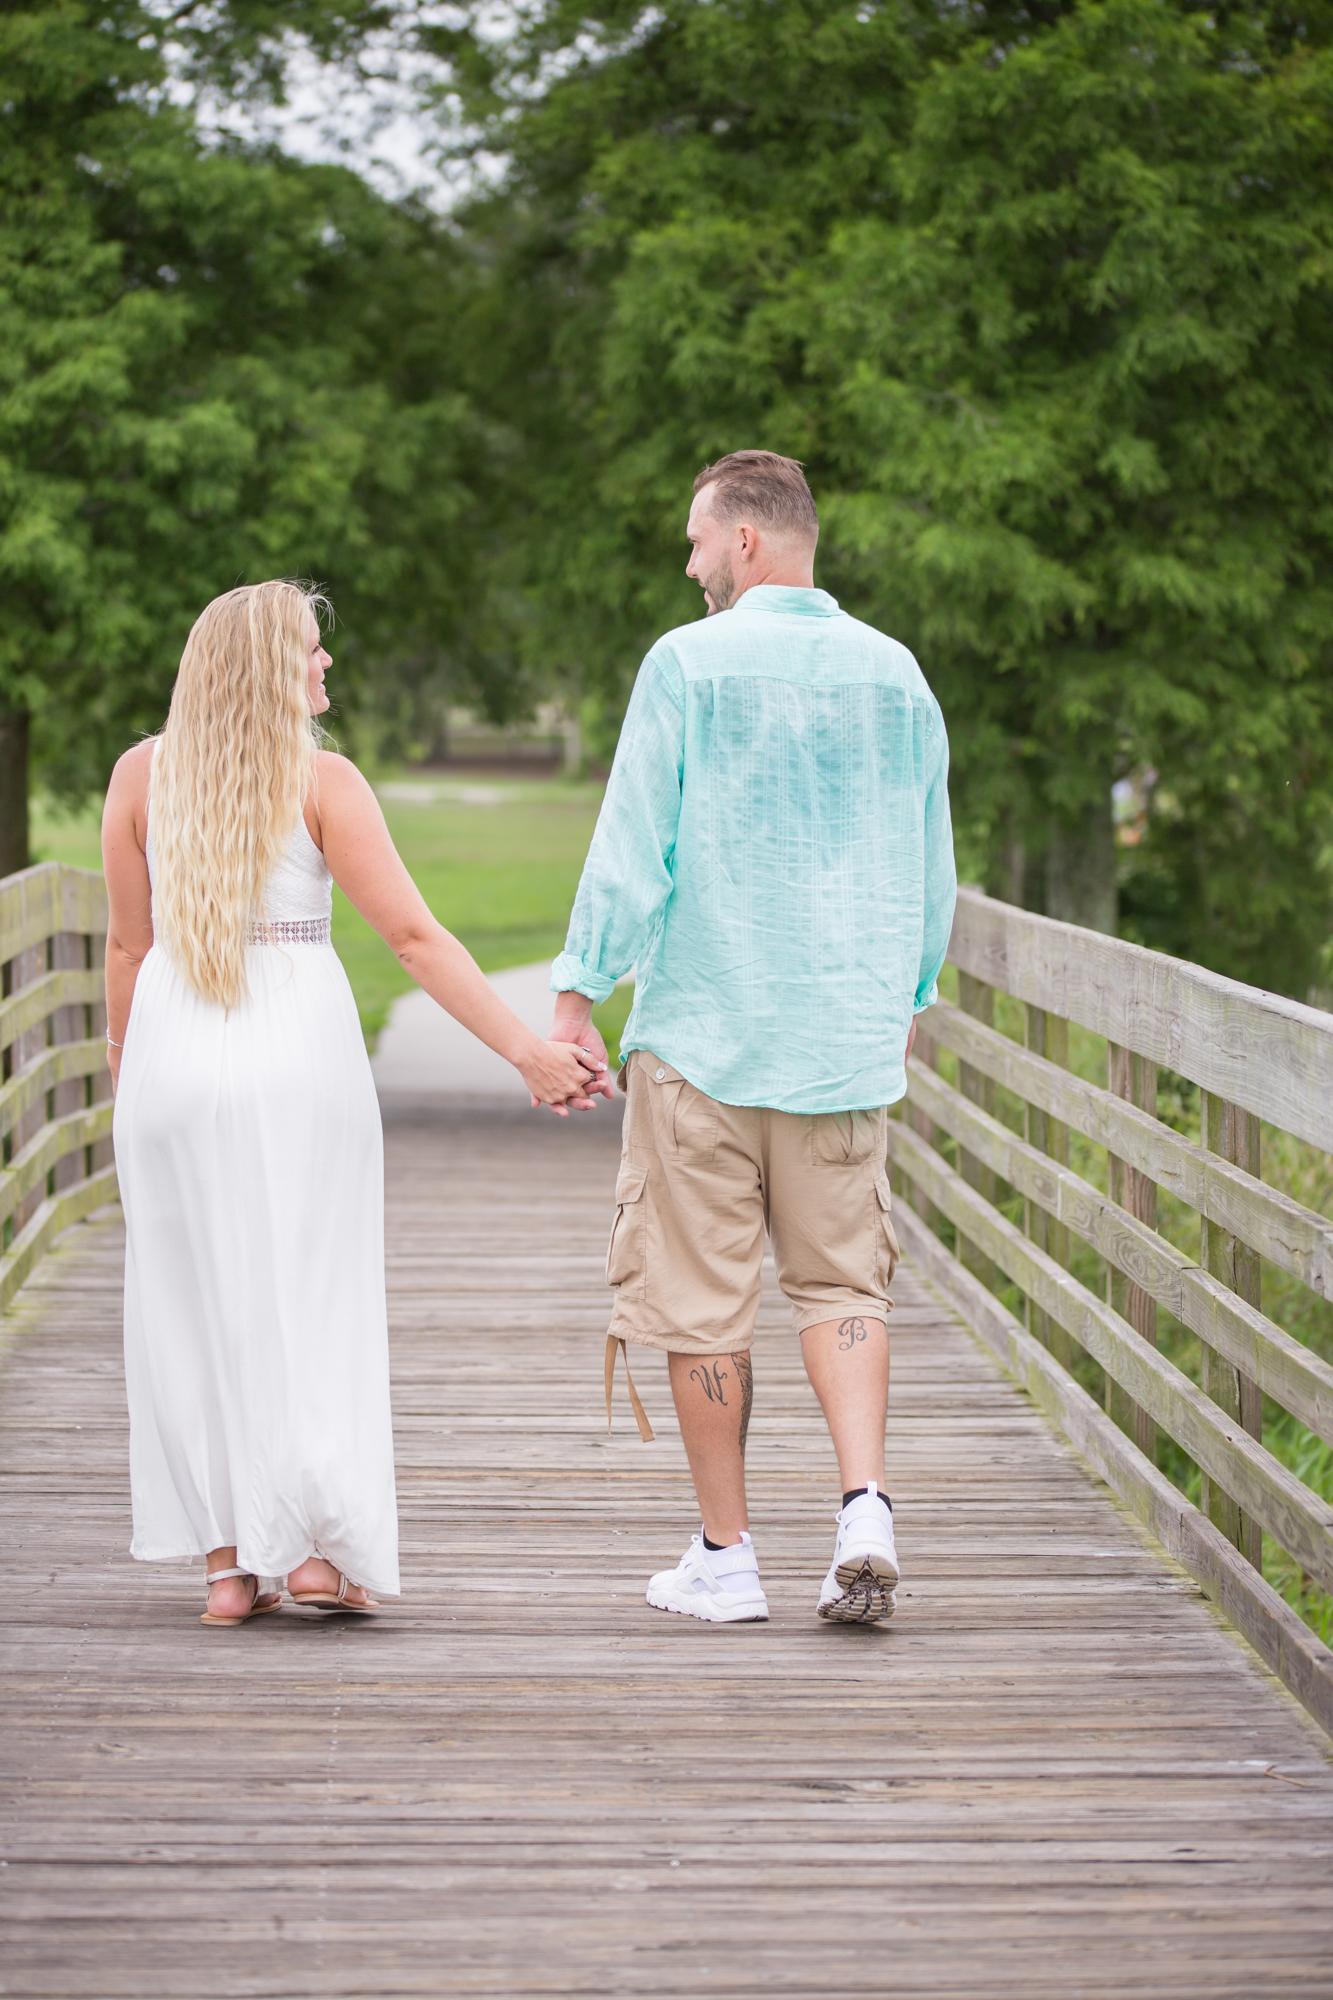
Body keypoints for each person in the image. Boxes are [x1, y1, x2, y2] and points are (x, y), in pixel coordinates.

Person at [103, 580, 600, 1628]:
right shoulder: (321, 781)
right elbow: (414, 940)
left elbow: (127, 946)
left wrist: (125, 1074)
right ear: (270, 668)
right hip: (294, 1055)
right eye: (313, 652)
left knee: (191, 1307)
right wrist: (527, 1051)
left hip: (170, 1063)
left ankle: (229, 1564)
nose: (328, 666)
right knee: (306, 1294)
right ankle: (319, 1553)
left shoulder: (139, 774)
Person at [548, 451, 956, 1625]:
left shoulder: (687, 664)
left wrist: (577, 993)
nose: (687, 562)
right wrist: (910, 989)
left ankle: (726, 1559)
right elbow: (931, 863)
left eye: (695, 539)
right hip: (838, 1044)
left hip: (703, 1038)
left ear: (746, 543)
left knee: (698, 1297)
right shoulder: (897, 677)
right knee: (840, 1278)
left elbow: (636, 843)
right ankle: (863, 1506)